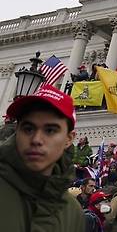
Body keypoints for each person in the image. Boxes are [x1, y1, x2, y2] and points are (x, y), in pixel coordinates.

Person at [0, 84, 85, 232]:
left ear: (69, 139)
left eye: (50, 130)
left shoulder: (73, 212)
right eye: (28, 129)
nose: (36, 139)